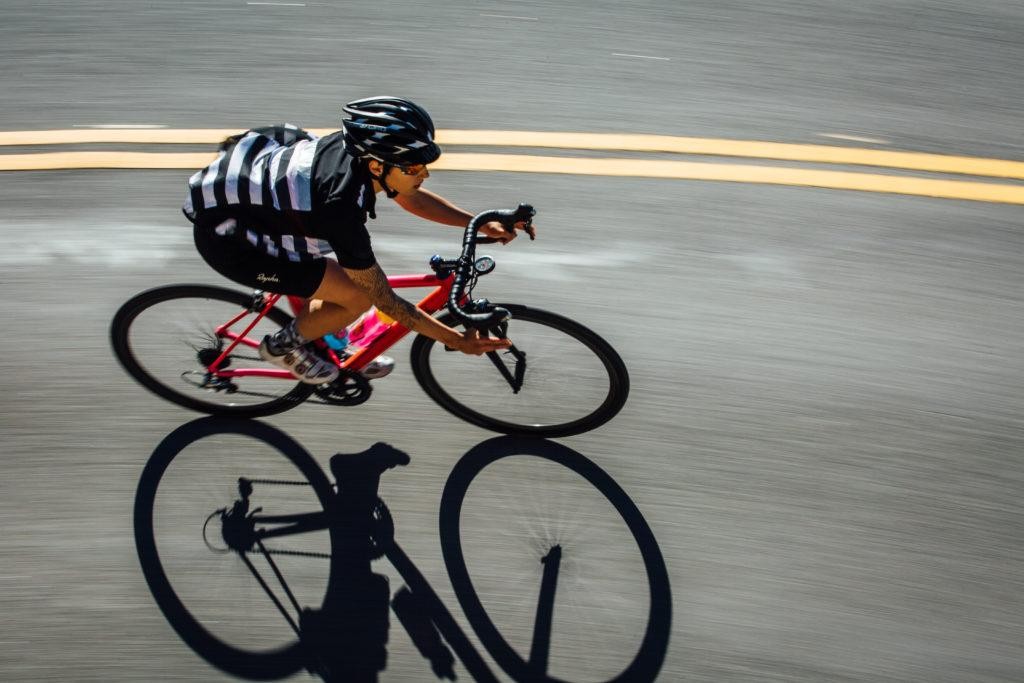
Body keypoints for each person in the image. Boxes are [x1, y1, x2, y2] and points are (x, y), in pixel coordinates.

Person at [183, 96, 536, 384]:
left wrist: (477, 222)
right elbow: (386, 301)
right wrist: (456, 340)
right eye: (413, 168)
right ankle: (282, 347)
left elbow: (409, 195)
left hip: (271, 202)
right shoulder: (340, 208)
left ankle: (325, 334)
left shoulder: (361, 154)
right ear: (375, 167)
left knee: (337, 283)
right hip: (235, 242)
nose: (424, 174)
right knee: (355, 297)